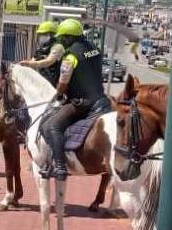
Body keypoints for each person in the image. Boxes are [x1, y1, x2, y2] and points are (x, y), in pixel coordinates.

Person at [39, 18, 111, 180]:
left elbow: (63, 83)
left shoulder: (70, 57)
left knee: (51, 126)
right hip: (100, 97)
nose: (61, 41)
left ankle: (59, 167)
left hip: (83, 103)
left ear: (69, 37)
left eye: (62, 38)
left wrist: (58, 95)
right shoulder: (95, 49)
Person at [19, 20, 64, 85]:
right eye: (40, 34)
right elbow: (33, 62)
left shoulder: (58, 47)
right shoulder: (41, 49)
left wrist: (29, 63)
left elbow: (48, 62)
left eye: (44, 34)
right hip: (42, 83)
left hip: (54, 85)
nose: (41, 37)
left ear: (52, 35)